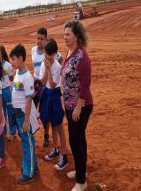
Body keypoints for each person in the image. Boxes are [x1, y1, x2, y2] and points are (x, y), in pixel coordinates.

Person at [60, 21, 93, 191]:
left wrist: (79, 107)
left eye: (68, 35)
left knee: (75, 140)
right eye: (64, 34)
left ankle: (81, 182)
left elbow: (86, 84)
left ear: (77, 36)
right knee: (79, 139)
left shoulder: (82, 56)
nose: (64, 37)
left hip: (81, 106)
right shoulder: (70, 52)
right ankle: (82, 171)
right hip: (70, 105)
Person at [10, 44, 39, 184]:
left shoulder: (27, 76)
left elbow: (28, 100)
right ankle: (33, 165)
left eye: (14, 59)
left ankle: (29, 173)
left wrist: (26, 121)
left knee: (27, 142)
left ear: (21, 58)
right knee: (27, 140)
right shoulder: (17, 73)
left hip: (23, 114)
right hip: (18, 113)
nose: (12, 62)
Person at [40, 39, 68, 170]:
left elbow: (52, 84)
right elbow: (43, 81)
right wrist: (46, 68)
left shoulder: (57, 66)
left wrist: (49, 68)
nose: (47, 56)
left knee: (59, 126)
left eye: (49, 54)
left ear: (55, 54)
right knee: (52, 123)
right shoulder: (44, 63)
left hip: (55, 95)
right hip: (46, 95)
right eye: (45, 54)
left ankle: (64, 155)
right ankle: (55, 148)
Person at [31, 27, 50, 147]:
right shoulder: (33, 50)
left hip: (45, 86)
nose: (39, 41)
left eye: (42, 39)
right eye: (38, 38)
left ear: (46, 39)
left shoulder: (48, 51)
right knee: (32, 110)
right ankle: (31, 133)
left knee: (44, 112)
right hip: (35, 85)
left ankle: (46, 135)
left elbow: (60, 59)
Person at [0, 45, 17, 140]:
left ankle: (12, 132)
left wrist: (7, 73)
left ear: (2, 53)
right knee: (2, 112)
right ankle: (3, 132)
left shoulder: (7, 65)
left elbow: (11, 78)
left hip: (7, 90)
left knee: (10, 111)